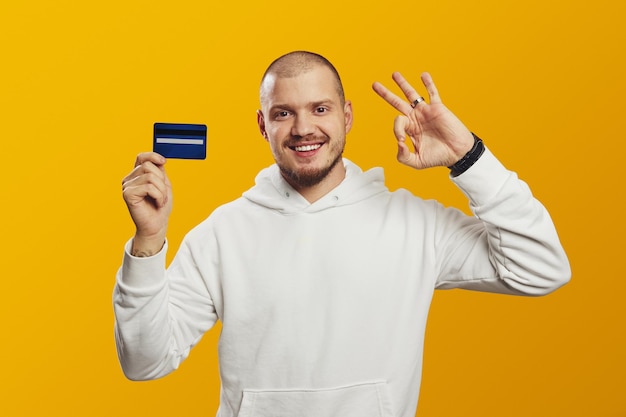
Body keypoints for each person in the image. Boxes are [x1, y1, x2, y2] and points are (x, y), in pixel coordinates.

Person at [114, 51, 570, 417]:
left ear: (347, 117)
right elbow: (145, 362)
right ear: (262, 125)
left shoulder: (415, 225)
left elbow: (542, 268)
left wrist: (467, 157)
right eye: (283, 113)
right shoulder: (222, 233)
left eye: (320, 109)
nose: (303, 128)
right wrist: (149, 243)